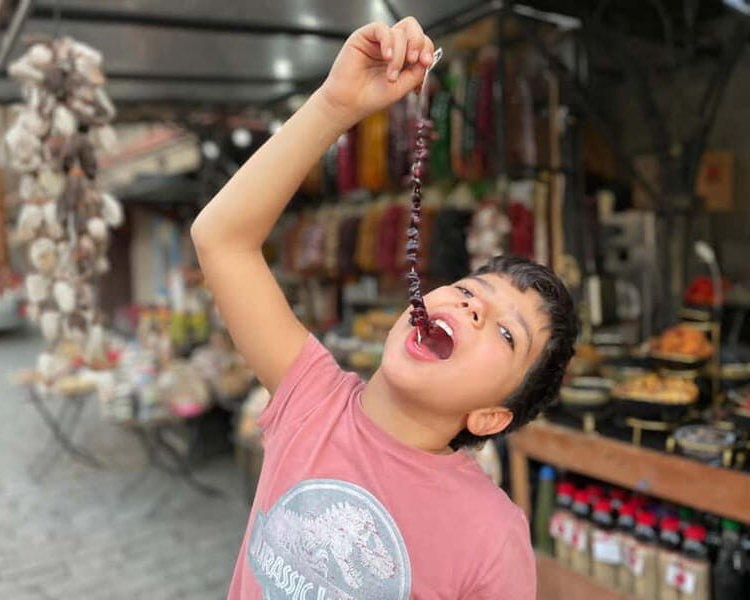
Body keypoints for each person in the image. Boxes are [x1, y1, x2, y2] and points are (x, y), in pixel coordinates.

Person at [191, 17, 577, 599]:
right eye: (470, 292)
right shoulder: (309, 399)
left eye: (506, 334)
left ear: (491, 417)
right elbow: (221, 238)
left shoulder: (492, 537)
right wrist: (334, 104)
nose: (473, 309)